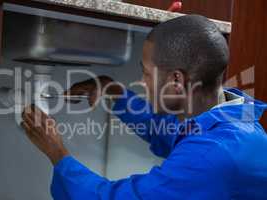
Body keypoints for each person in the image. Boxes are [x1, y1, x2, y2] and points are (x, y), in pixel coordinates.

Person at [21, 15, 267, 200]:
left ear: (176, 81)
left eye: (147, 73)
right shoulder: (230, 122)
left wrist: (57, 152)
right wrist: (112, 89)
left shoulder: (211, 155)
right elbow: (163, 130)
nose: (142, 82)